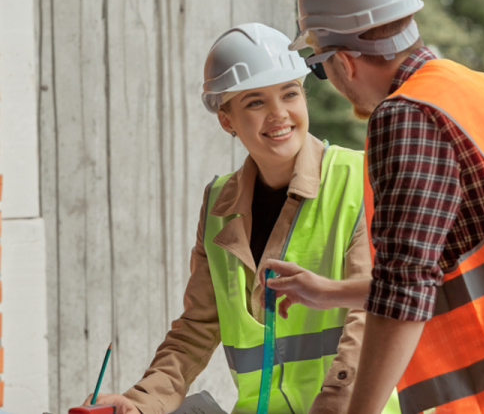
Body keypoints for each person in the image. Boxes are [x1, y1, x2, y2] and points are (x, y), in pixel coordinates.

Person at [262, 0, 484, 413]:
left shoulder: (406, 116)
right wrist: (332, 292)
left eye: (322, 71)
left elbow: (406, 290)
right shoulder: (483, 92)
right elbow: (464, 264)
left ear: (344, 61)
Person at [82, 23, 400, 414]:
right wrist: (139, 402)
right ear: (227, 120)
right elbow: (196, 329)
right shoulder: (218, 205)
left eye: (289, 93)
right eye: (255, 102)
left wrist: (335, 405)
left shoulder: (359, 178)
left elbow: (369, 316)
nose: (279, 114)